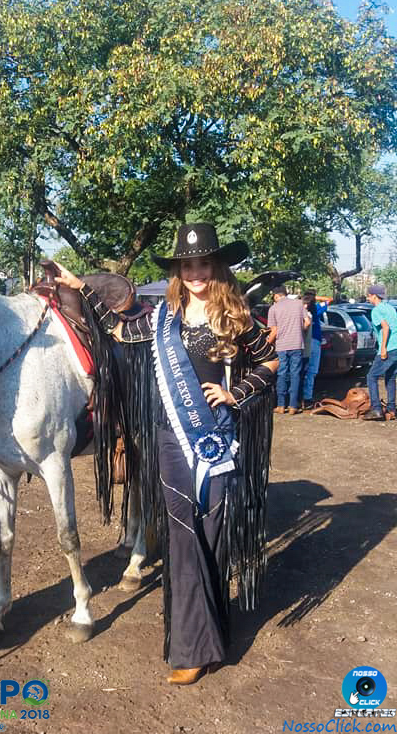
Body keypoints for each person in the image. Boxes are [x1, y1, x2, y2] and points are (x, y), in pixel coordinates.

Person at [54, 223, 278, 686]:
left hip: (216, 441)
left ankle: (211, 637)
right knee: (181, 537)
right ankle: (191, 647)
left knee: (211, 537)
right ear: (178, 271)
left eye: (203, 263)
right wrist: (81, 288)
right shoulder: (161, 317)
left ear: (216, 267)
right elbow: (119, 329)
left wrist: (237, 393)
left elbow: (271, 362)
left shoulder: (238, 317)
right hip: (169, 441)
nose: (195, 272)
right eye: (187, 265)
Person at [266, 286, 310, 414]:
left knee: (282, 373)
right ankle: (293, 406)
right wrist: (299, 331)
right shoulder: (298, 304)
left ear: (276, 296)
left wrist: (267, 343)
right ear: (286, 293)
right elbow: (307, 322)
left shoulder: (273, 308)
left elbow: (274, 330)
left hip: (281, 346)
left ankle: (280, 406)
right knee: (295, 374)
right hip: (297, 344)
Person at [363, 283, 397, 421]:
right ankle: (391, 409)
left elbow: (385, 328)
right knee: (390, 378)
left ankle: (376, 409)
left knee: (371, 376)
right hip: (396, 347)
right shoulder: (390, 308)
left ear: (374, 296)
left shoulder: (376, 310)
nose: (368, 298)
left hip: (388, 348)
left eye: (369, 295)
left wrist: (382, 348)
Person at [301, 290, 327, 410]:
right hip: (315, 341)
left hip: (301, 342)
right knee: (311, 371)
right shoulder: (316, 309)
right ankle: (307, 398)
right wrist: (316, 298)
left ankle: (298, 397)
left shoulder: (300, 310)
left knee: (300, 370)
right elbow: (329, 300)